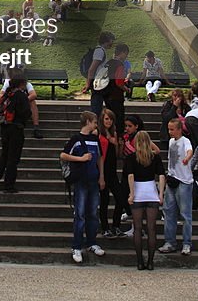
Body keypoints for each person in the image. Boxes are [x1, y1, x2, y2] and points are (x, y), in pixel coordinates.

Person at [61, 110, 106, 263]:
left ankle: (91, 242)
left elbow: (100, 158)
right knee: (79, 214)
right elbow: (63, 155)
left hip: (93, 179)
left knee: (92, 213)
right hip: (81, 180)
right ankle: (77, 245)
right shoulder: (76, 139)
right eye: (94, 122)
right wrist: (80, 159)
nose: (96, 125)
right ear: (88, 122)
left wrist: (101, 176)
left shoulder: (95, 139)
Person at [126, 131, 165, 270]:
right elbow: (161, 175)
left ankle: (139, 261)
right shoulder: (155, 157)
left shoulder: (131, 157)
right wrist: (161, 194)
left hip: (138, 192)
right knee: (151, 228)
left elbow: (130, 176)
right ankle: (150, 261)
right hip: (151, 192)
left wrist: (131, 194)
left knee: (137, 228)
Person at [0, 73, 32, 193]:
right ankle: (9, 185)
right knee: (13, 158)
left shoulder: (8, 95)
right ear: (22, 83)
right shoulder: (21, 96)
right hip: (16, 128)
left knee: (4, 155)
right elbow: (26, 113)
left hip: (5, 127)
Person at [159, 119, 194, 255]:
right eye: (169, 129)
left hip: (184, 180)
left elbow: (190, 150)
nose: (170, 132)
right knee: (168, 212)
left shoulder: (185, 141)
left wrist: (187, 158)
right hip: (172, 179)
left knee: (185, 214)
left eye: (172, 129)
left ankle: (186, 243)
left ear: (179, 129)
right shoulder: (171, 142)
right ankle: (170, 241)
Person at [98, 108, 125, 238]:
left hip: (112, 171)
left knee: (120, 198)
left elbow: (117, 156)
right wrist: (101, 177)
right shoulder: (100, 134)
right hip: (103, 171)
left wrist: (119, 145)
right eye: (106, 119)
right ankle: (104, 228)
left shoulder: (114, 133)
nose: (109, 121)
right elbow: (100, 157)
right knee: (104, 201)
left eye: (110, 119)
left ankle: (116, 226)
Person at [82, 31, 115, 114]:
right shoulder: (99, 51)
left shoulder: (101, 50)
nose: (112, 43)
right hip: (98, 84)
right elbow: (92, 69)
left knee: (100, 106)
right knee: (96, 108)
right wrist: (88, 84)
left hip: (101, 83)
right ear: (107, 41)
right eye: (112, 40)